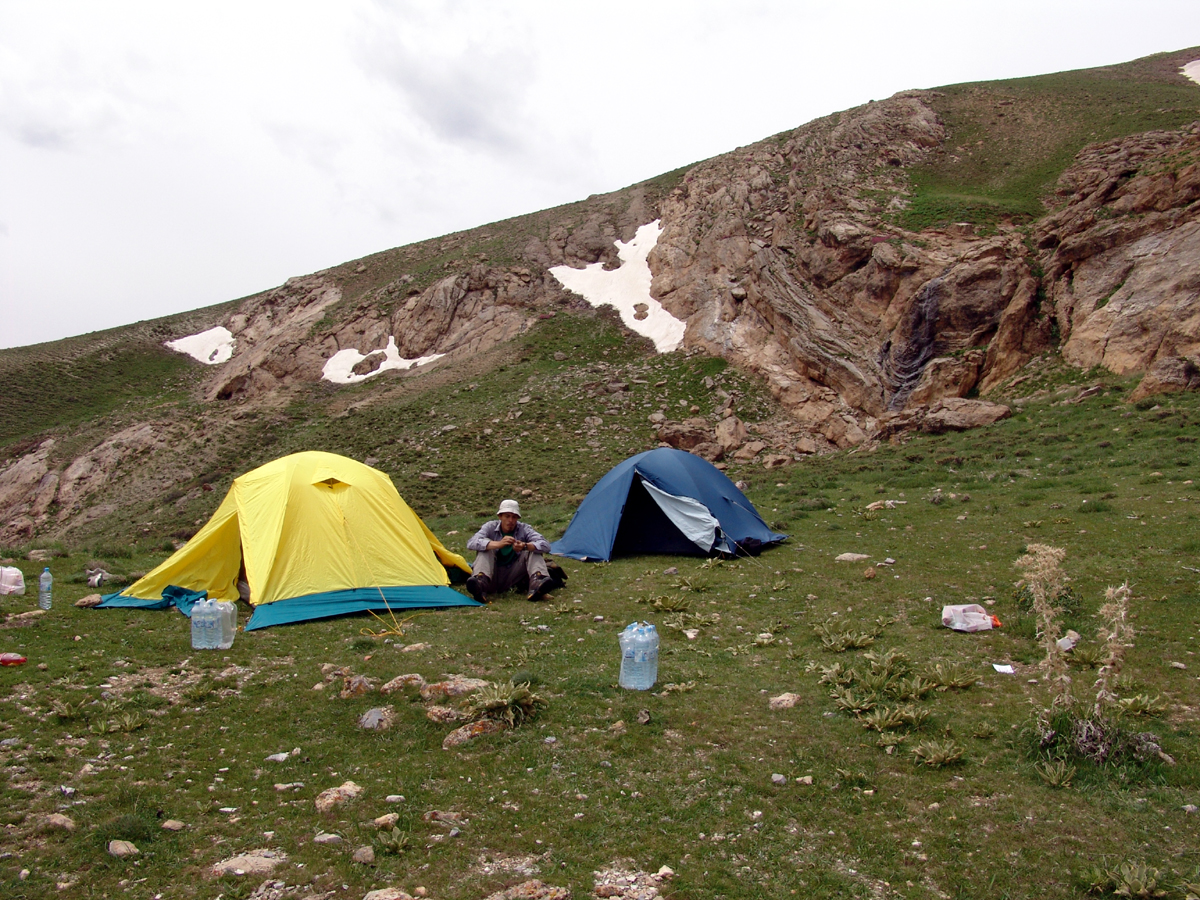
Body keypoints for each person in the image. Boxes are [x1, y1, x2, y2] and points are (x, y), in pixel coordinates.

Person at [465, 499, 554, 602]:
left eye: (514, 517)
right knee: (486, 548)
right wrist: (497, 544)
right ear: (500, 516)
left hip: (514, 576)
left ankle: (537, 584)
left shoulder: (524, 528)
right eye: (507, 516)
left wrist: (525, 546)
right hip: (492, 574)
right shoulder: (490, 527)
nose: (510, 520)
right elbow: (471, 543)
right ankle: (480, 584)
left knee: (533, 550)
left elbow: (546, 545)